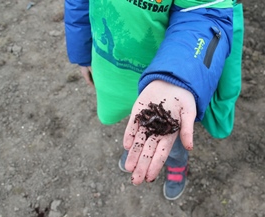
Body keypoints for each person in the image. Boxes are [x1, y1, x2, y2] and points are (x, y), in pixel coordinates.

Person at [64, 0, 243, 200]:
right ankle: (135, 145)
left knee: (171, 140)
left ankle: (176, 161)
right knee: (133, 114)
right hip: (112, 70)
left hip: (165, 71)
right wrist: (82, 53)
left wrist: (180, 76)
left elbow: (203, 14)